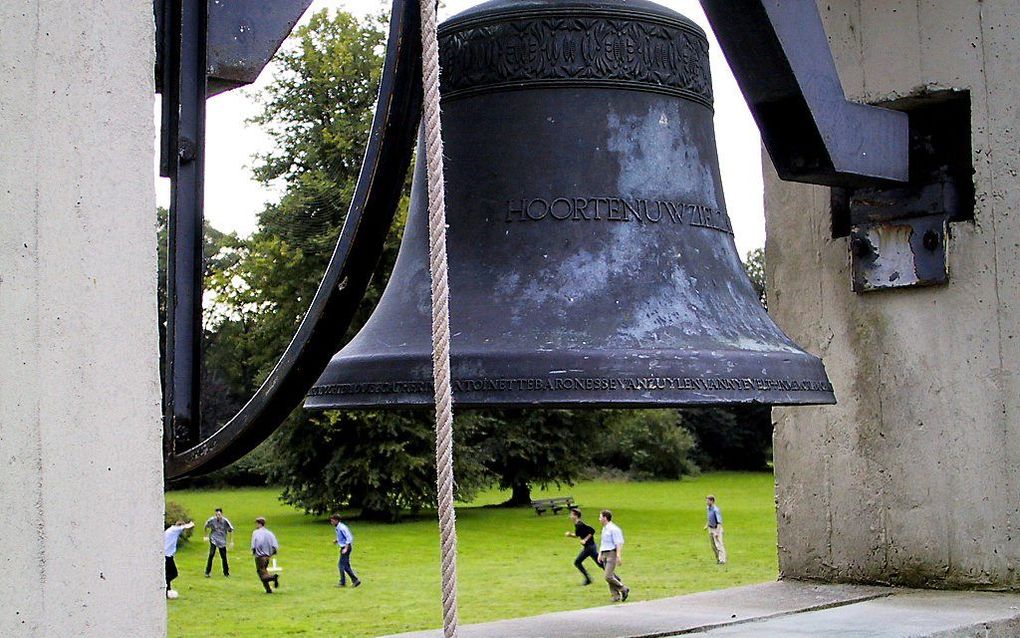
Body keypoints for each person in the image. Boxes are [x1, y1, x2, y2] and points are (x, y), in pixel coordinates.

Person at [597, 509, 630, 602]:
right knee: (610, 576)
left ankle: (623, 588)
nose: (599, 519)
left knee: (608, 576)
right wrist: (600, 554)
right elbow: (603, 542)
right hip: (604, 553)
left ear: (605, 518)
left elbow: (618, 543)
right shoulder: (604, 528)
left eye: (600, 517)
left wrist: (618, 556)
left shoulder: (614, 529)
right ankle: (615, 595)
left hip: (611, 553)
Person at [564, 508, 599, 585]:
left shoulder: (580, 524)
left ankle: (589, 579)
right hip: (589, 547)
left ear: (576, 516)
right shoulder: (577, 524)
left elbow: (592, 531)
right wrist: (570, 535)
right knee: (599, 563)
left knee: (577, 562)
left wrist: (585, 540)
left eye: (571, 514)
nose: (570, 516)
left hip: (590, 547)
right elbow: (577, 535)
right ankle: (588, 579)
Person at [164, 520, 195, 598]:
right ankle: (163, 585)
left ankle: (167, 590)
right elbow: (186, 526)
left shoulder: (170, 530)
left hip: (167, 555)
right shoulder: (175, 530)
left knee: (168, 573)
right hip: (167, 556)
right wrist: (191, 524)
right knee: (173, 573)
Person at [330, 514, 361, 587]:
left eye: (332, 521)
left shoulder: (342, 528)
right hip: (344, 547)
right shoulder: (338, 527)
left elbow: (349, 538)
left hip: (345, 547)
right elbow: (342, 537)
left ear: (337, 520)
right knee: (346, 566)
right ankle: (355, 580)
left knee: (341, 565)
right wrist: (337, 540)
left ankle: (342, 582)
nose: (331, 522)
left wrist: (346, 548)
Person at [251, 517, 280, 593]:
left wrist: (254, 552)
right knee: (264, 572)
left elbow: (254, 544)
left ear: (259, 524)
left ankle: (273, 577)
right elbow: (275, 545)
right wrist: (271, 553)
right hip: (267, 557)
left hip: (260, 557)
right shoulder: (270, 533)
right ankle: (268, 590)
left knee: (262, 575)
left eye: (257, 523)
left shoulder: (256, 533)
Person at [203, 508, 234, 577]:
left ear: (221, 515)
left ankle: (226, 573)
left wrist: (231, 541)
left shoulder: (225, 521)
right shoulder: (212, 520)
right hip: (214, 539)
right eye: (216, 515)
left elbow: (231, 530)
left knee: (224, 556)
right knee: (211, 554)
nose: (218, 516)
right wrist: (206, 536)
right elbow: (206, 526)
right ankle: (207, 572)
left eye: (219, 515)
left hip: (222, 540)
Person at [705, 495, 727, 564]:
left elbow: (719, 522)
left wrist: (717, 532)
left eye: (708, 500)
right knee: (713, 546)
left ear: (712, 501)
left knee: (719, 545)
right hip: (710, 528)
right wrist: (706, 525)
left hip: (717, 529)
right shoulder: (708, 508)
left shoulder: (716, 510)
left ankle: (722, 560)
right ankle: (718, 559)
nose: (706, 502)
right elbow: (709, 518)